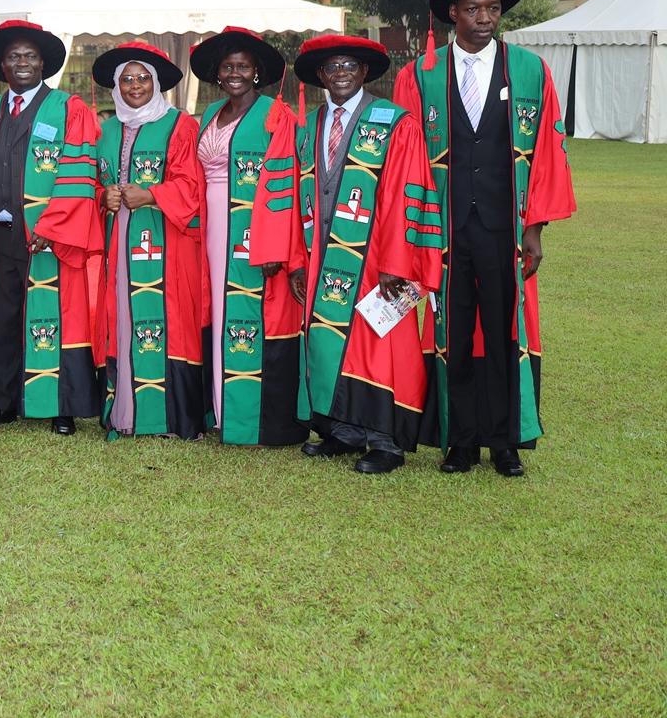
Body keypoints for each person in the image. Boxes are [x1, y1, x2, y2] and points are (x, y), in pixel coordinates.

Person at [393, 0, 576, 476]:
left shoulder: (529, 70)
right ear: (453, 14)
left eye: (492, 9)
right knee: (451, 330)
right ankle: (461, 440)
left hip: (503, 226)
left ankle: (505, 440)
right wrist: (411, 237)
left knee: (503, 331)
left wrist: (534, 227)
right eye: (473, 9)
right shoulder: (419, 75)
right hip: (445, 229)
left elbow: (546, 151)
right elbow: (404, 161)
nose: (484, 18)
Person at [252, 36, 441, 474]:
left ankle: (384, 440)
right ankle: (341, 430)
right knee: (326, 342)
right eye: (331, 67)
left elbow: (406, 195)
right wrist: (297, 263)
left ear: (364, 72)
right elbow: (294, 197)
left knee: (379, 345)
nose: (340, 73)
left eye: (349, 65)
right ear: (320, 75)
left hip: (378, 260)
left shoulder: (395, 122)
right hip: (321, 258)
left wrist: (397, 264)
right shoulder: (309, 125)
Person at [0, 20, 101, 435]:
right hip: (0, 234)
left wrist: (52, 225)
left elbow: (79, 172)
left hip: (47, 235)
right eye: (14, 56)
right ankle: (2, 402)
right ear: (2, 65)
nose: (22, 63)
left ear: (43, 62)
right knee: (4, 317)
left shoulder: (68, 108)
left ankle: (60, 404)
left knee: (54, 315)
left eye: (30, 56)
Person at [188, 27, 305, 447]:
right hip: (213, 230)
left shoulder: (277, 115)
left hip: (254, 233)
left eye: (243, 66)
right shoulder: (208, 115)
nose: (235, 73)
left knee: (256, 317)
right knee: (219, 312)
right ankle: (220, 410)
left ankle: (253, 419)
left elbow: (287, 187)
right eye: (227, 67)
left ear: (257, 72)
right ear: (218, 74)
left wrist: (276, 246)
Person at [93, 43, 206, 440]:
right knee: (122, 317)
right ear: (116, 85)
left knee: (170, 318)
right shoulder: (105, 129)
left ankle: (169, 419)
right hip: (118, 242)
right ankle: (124, 412)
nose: (135, 85)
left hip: (167, 241)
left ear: (156, 83)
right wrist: (101, 196)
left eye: (143, 78)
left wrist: (154, 194)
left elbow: (192, 185)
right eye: (127, 78)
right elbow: (94, 182)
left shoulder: (180, 125)